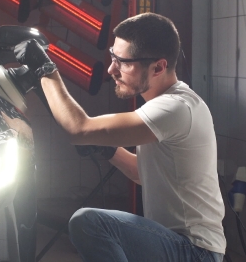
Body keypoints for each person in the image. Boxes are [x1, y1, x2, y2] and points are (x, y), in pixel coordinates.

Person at [14, 13, 226, 262]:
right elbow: (141, 173)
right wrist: (108, 150)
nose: (111, 69)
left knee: (89, 222)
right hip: (177, 245)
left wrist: (45, 68)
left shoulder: (175, 107)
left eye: (124, 62)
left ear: (158, 67)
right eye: (114, 57)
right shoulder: (168, 105)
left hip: (194, 252)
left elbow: (79, 128)